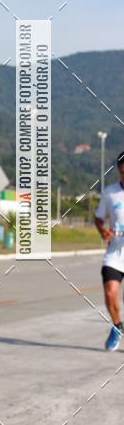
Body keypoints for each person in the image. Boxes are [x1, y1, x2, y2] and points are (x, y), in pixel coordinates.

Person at [94, 150, 124, 351]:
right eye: (122, 170)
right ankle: (117, 326)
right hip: (115, 253)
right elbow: (98, 217)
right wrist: (103, 231)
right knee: (110, 292)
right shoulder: (110, 193)